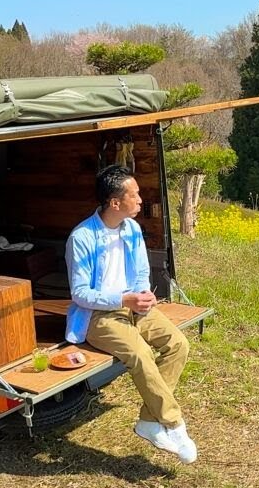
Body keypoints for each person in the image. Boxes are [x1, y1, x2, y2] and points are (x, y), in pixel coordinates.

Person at [64, 164, 197, 464]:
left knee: (178, 345)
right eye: (134, 195)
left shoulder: (133, 229)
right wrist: (122, 299)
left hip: (135, 306)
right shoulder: (82, 238)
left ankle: (149, 421)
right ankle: (174, 424)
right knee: (140, 354)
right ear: (114, 202)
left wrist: (143, 294)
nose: (140, 199)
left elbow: (140, 272)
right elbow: (80, 293)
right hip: (98, 315)